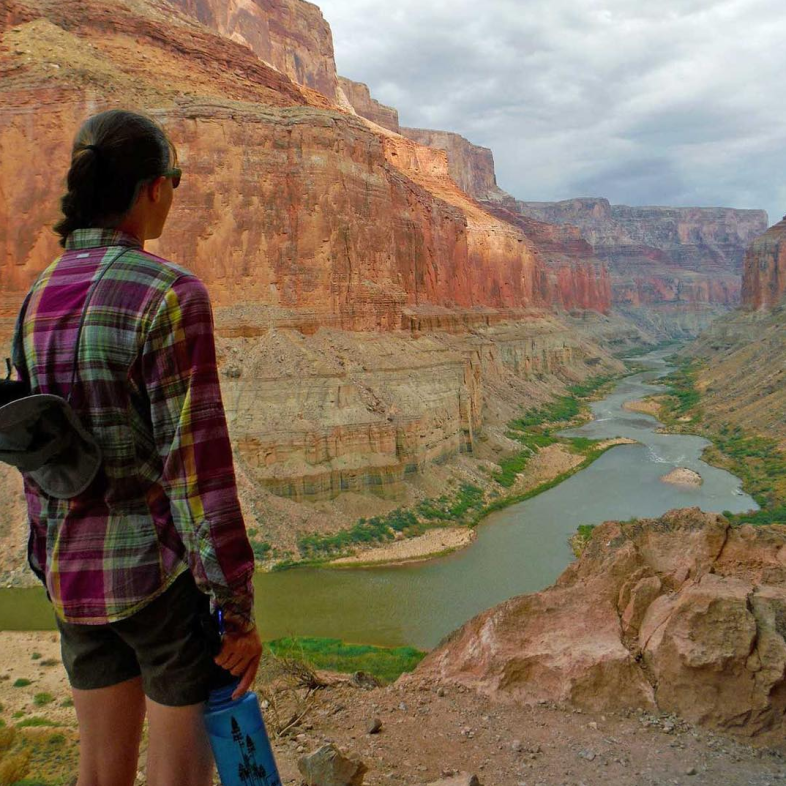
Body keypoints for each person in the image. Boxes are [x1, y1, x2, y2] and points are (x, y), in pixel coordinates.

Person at [12, 109, 263, 786]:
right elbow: (197, 471)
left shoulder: (36, 298)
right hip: (159, 583)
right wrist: (234, 607)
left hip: (71, 575)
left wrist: (47, 559)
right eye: (174, 181)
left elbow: (38, 455)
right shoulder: (170, 294)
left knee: (100, 775)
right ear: (152, 188)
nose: (174, 195)